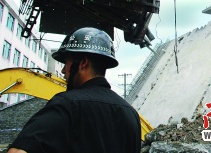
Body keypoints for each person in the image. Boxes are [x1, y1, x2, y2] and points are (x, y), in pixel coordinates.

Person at [8, 27, 141, 153]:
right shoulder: (131, 115)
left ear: (83, 63)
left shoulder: (66, 105)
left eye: (66, 62)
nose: (63, 70)